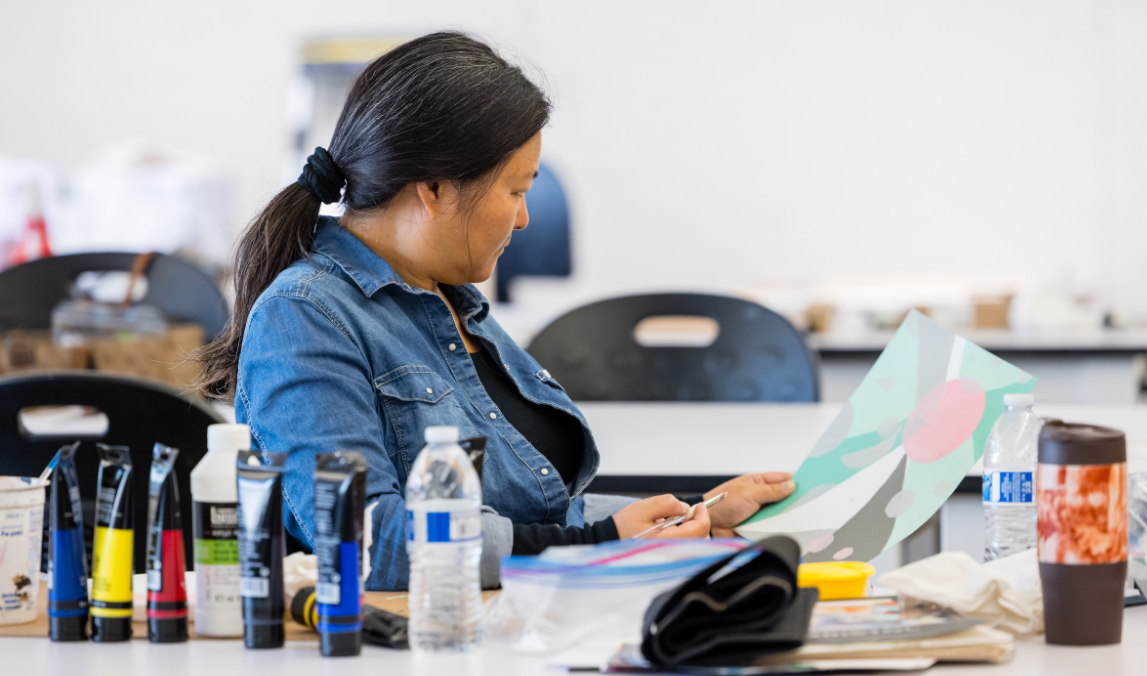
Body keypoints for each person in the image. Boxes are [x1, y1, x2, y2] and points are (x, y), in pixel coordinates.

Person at [195, 32, 795, 590]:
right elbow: (359, 540)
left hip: (508, 624)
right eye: (517, 190)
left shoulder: (448, 300)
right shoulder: (305, 317)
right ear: (433, 190)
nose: (525, 218)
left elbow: (536, 515)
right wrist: (598, 543)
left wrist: (697, 511)